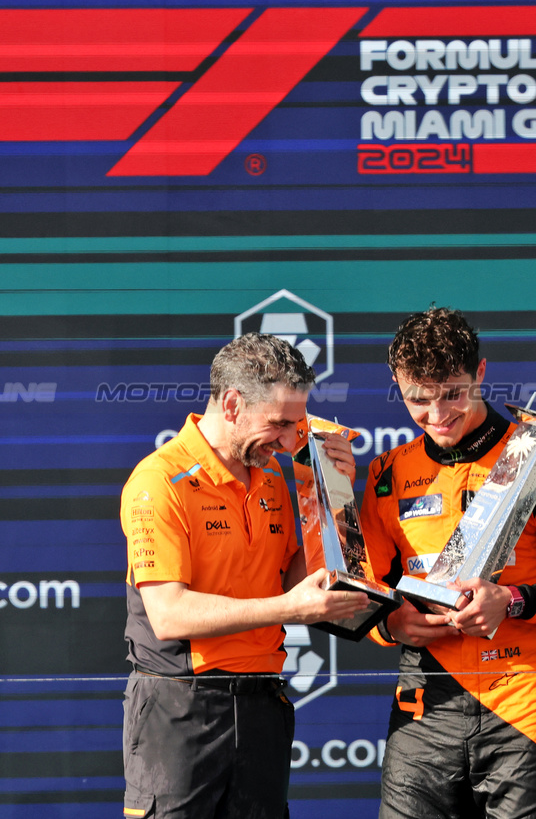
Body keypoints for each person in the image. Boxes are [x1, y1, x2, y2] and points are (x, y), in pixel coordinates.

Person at [358, 308, 536, 819]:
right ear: (397, 386)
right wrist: (390, 625)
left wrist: (514, 601)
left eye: (452, 393)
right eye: (418, 399)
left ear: (480, 373)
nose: (437, 415)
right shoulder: (387, 473)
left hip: (522, 706)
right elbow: (360, 589)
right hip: (422, 713)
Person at [120, 332, 369, 819]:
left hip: (263, 702)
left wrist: (331, 492)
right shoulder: (158, 481)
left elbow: (307, 576)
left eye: (296, 424)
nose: (287, 438)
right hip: (180, 708)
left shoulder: (275, 475)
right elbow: (169, 615)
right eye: (279, 423)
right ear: (232, 404)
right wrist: (290, 609)